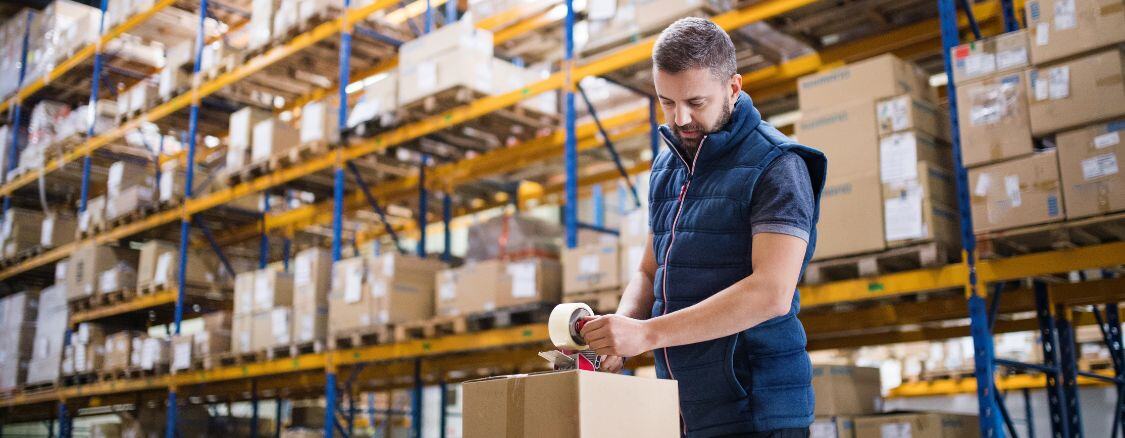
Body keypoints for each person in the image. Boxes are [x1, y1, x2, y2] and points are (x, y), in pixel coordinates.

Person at [578, 17, 827, 438]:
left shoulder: (778, 165)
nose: (681, 118)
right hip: (687, 408)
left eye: (696, 102)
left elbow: (771, 293)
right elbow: (648, 270)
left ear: (733, 88)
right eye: (667, 102)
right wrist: (617, 334)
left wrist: (647, 334)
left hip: (758, 413)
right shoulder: (667, 167)